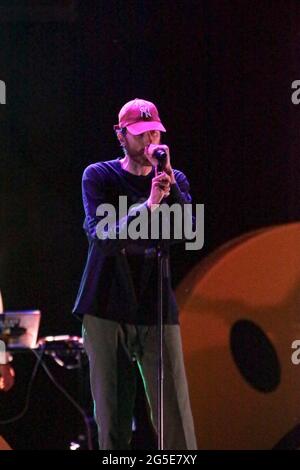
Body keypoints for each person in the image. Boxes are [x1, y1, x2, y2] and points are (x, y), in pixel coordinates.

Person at [73, 98, 197, 450]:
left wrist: (169, 191)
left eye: (154, 132)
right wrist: (148, 206)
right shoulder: (99, 176)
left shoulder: (176, 181)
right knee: (112, 424)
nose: (149, 142)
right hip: (106, 308)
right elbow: (103, 237)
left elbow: (188, 234)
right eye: (140, 134)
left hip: (155, 308)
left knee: (177, 422)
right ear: (121, 135)